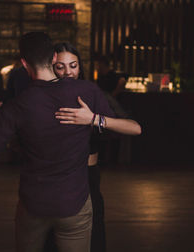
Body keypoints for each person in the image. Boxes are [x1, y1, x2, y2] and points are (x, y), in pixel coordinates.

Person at [0, 32, 139, 252]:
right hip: (74, 202)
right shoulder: (86, 92)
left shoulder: (18, 104)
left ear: (24, 63)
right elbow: (124, 129)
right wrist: (92, 120)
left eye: (74, 66)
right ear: (54, 59)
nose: (68, 72)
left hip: (34, 204)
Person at [51, 42, 141, 252]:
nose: (68, 72)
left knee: (93, 240)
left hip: (86, 178)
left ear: (80, 67)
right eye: (60, 66)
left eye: (73, 65)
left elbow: (135, 128)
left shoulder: (92, 92)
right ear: (51, 67)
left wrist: (94, 119)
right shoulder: (43, 96)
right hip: (52, 179)